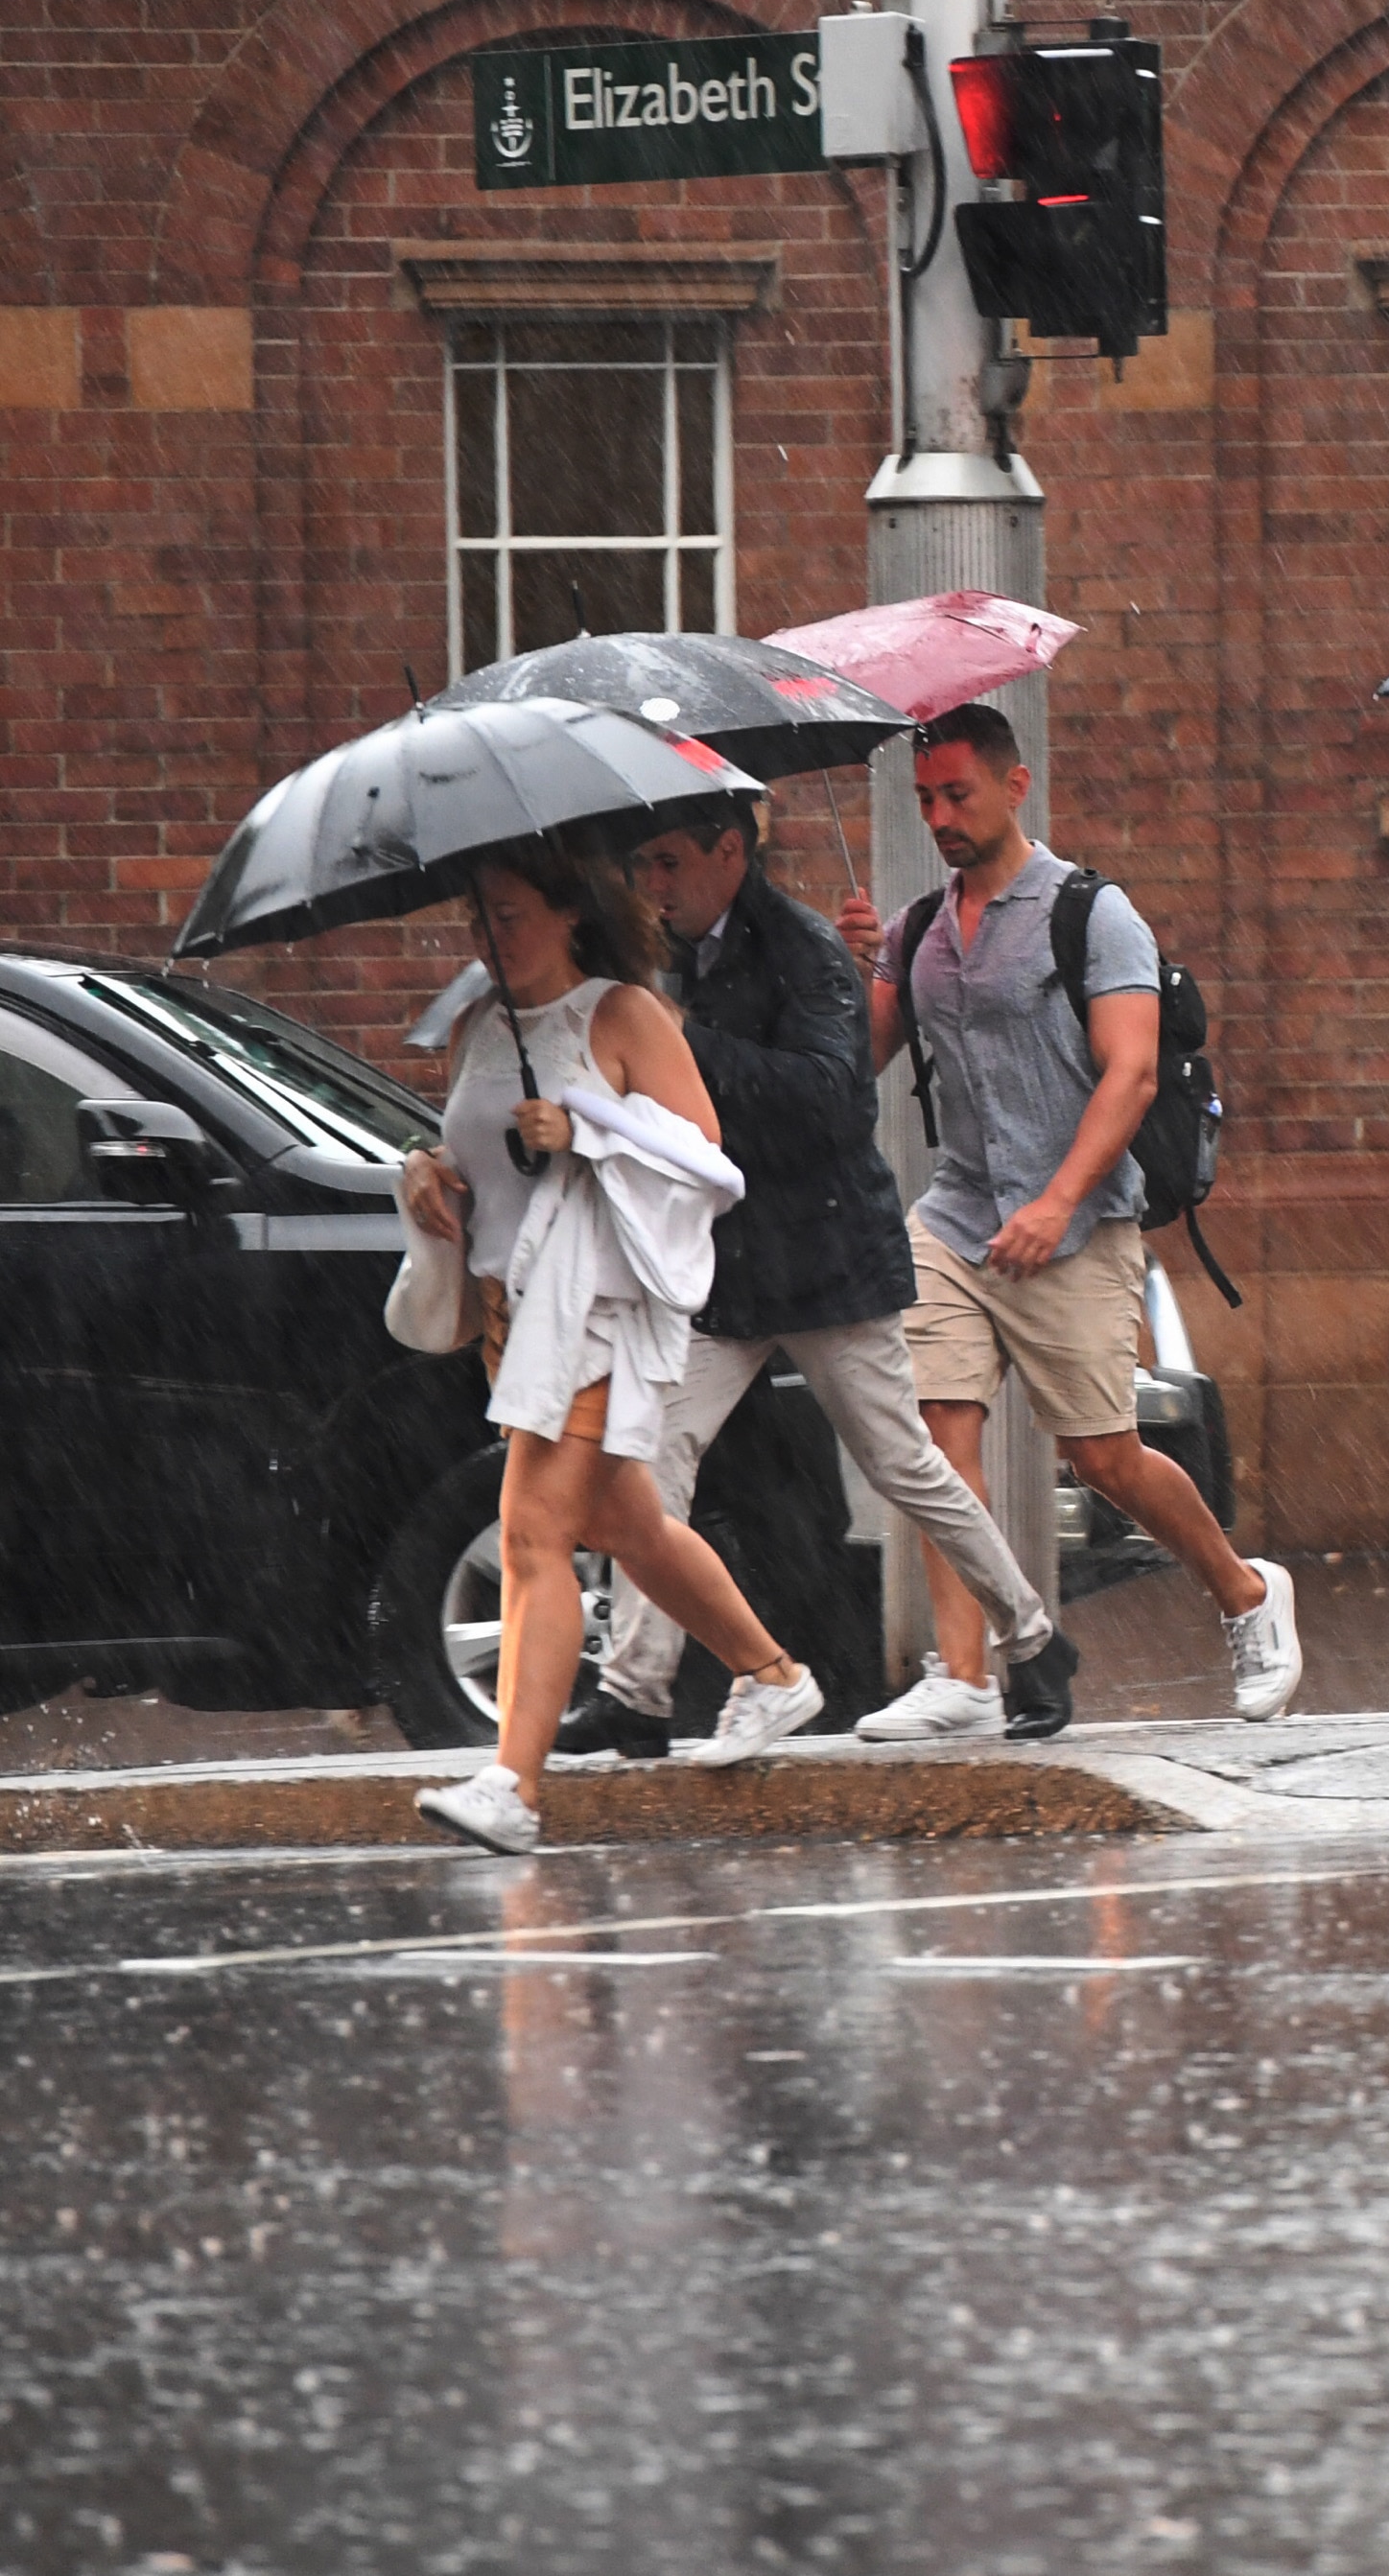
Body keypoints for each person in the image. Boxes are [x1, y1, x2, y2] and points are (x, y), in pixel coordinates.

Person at [559, 806, 1072, 1754]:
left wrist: (679, 1040)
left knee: (903, 1464)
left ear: (729, 851)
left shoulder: (801, 949)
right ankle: (634, 1692)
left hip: (827, 1255)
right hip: (727, 1262)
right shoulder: (661, 955)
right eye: (643, 865)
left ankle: (1034, 1642)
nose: (655, 884)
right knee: (650, 1459)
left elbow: (828, 1100)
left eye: (668, 862)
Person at [859, 707, 1300, 1717]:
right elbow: (854, 1064)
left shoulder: (1093, 914)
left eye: (957, 794)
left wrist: (1059, 1202)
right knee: (934, 1437)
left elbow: (1134, 1072)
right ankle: (964, 1674)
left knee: (1102, 1457)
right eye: (925, 798)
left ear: (1016, 788)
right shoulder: (918, 930)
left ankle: (1244, 1590)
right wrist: (860, 971)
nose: (939, 816)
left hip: (1077, 1223)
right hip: (958, 1217)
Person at [405, 834, 825, 1854]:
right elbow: (467, 1152)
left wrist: (587, 1129)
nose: (490, 935)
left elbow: (705, 1160)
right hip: (512, 1315)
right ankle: (775, 1676)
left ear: (568, 915)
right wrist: (423, 1171)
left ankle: (514, 1782)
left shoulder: (624, 1013)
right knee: (628, 1524)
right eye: (478, 918)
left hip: (587, 1313)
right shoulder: (475, 1020)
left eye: (508, 914)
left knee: (532, 1535)